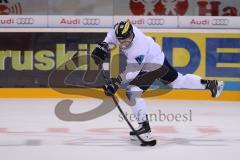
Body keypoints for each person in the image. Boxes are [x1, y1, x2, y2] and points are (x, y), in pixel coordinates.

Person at [91, 20, 224, 141]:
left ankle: (145, 128)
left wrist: (116, 83)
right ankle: (211, 84)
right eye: (121, 40)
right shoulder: (118, 31)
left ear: (132, 34)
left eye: (127, 39)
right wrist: (102, 47)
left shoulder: (138, 47)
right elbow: (110, 37)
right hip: (156, 55)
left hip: (153, 64)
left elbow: (132, 71)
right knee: (178, 81)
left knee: (132, 92)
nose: (124, 43)